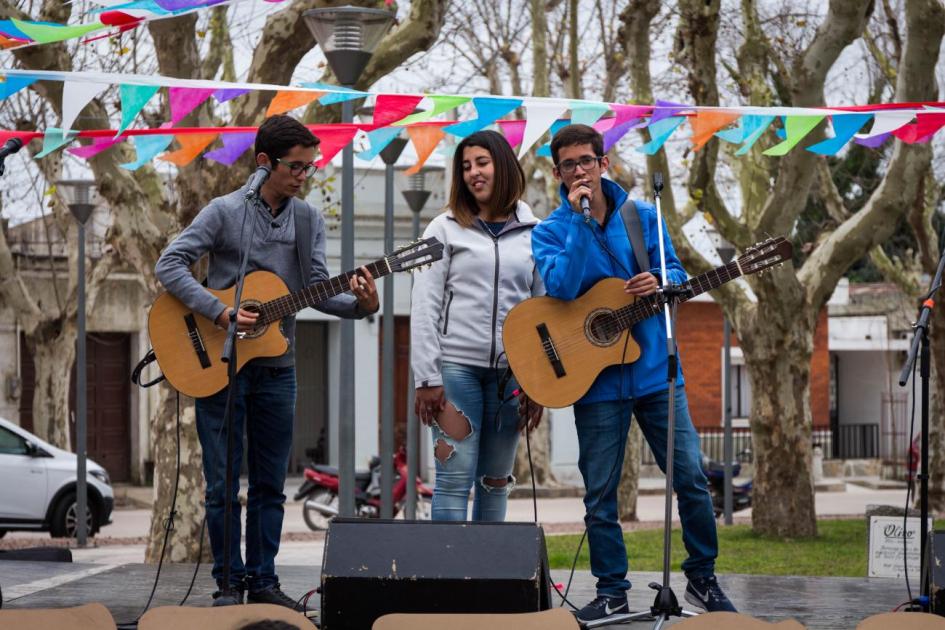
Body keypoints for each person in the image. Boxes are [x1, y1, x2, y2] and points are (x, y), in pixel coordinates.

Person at [155, 115, 379, 608]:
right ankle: (227, 584)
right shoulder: (224, 211)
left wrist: (362, 305)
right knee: (220, 486)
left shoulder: (308, 220)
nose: (304, 176)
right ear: (264, 162)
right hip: (218, 362)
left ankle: (263, 581)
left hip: (278, 366)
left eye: (309, 166)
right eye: (295, 167)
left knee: (270, 486)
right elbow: (169, 264)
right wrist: (220, 310)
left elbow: (316, 290)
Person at [529, 124, 736, 623]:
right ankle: (612, 592)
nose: (580, 170)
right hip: (593, 381)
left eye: (587, 160)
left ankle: (702, 581)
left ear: (605, 163)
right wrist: (580, 225)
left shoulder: (643, 217)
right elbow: (561, 287)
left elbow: (680, 277)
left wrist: (660, 281)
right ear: (558, 173)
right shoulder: (549, 230)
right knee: (600, 494)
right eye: (569, 165)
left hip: (654, 374)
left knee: (689, 477)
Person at [411, 129, 543, 522]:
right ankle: (449, 580)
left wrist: (538, 381)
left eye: (481, 163)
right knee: (453, 480)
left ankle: (489, 580)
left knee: (495, 481)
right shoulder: (443, 228)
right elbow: (424, 305)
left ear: (503, 165)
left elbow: (542, 312)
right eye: (466, 166)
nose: (473, 173)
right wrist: (426, 377)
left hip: (512, 376)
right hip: (455, 372)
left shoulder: (537, 233)